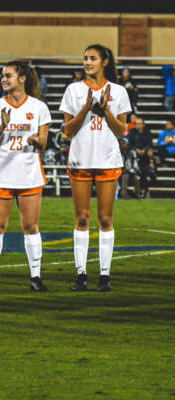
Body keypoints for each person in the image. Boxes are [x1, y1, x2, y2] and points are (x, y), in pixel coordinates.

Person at [60, 44, 130, 292]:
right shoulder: (74, 90)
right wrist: (85, 109)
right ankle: (81, 275)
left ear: (105, 62)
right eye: (85, 58)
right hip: (80, 159)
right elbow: (68, 130)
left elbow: (121, 131)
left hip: (108, 160)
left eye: (92, 58)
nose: (87, 63)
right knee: (82, 218)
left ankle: (104, 275)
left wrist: (105, 111)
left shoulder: (119, 91)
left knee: (105, 219)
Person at [0, 61, 52, 291]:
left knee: (31, 227)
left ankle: (36, 278)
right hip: (1, 173)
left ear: (22, 78)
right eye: (2, 75)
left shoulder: (39, 107)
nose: (3, 79)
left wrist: (35, 140)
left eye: (8, 75)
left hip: (29, 173)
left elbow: (43, 143)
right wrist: (3, 126)